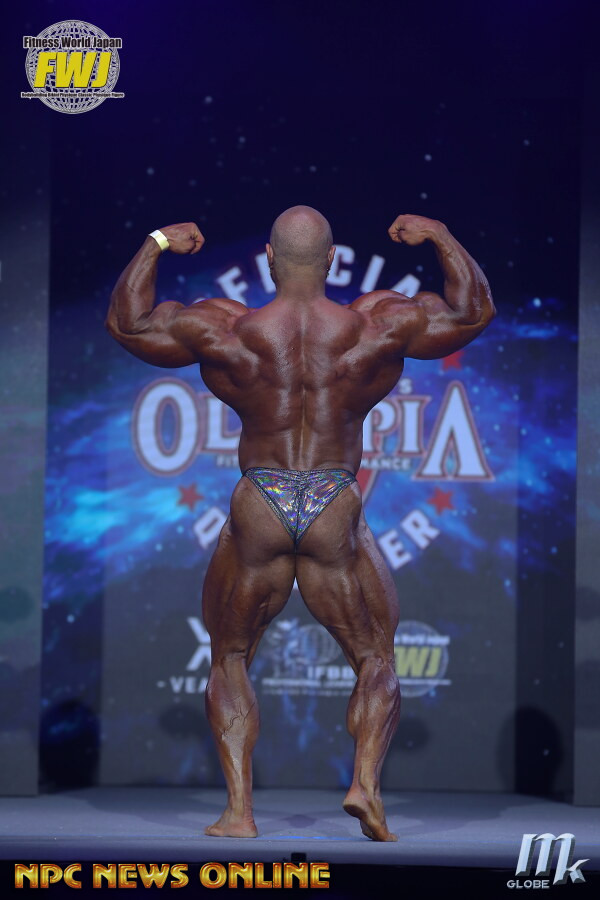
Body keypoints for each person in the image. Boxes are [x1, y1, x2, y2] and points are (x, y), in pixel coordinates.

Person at [106, 207, 496, 841]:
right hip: (332, 496)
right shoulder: (376, 324)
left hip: (260, 496)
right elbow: (473, 312)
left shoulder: (226, 327)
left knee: (230, 657)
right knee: (375, 656)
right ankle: (365, 787)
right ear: (332, 259)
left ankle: (239, 813)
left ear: (269, 258)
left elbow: (128, 323)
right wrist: (442, 237)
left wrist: (154, 244)